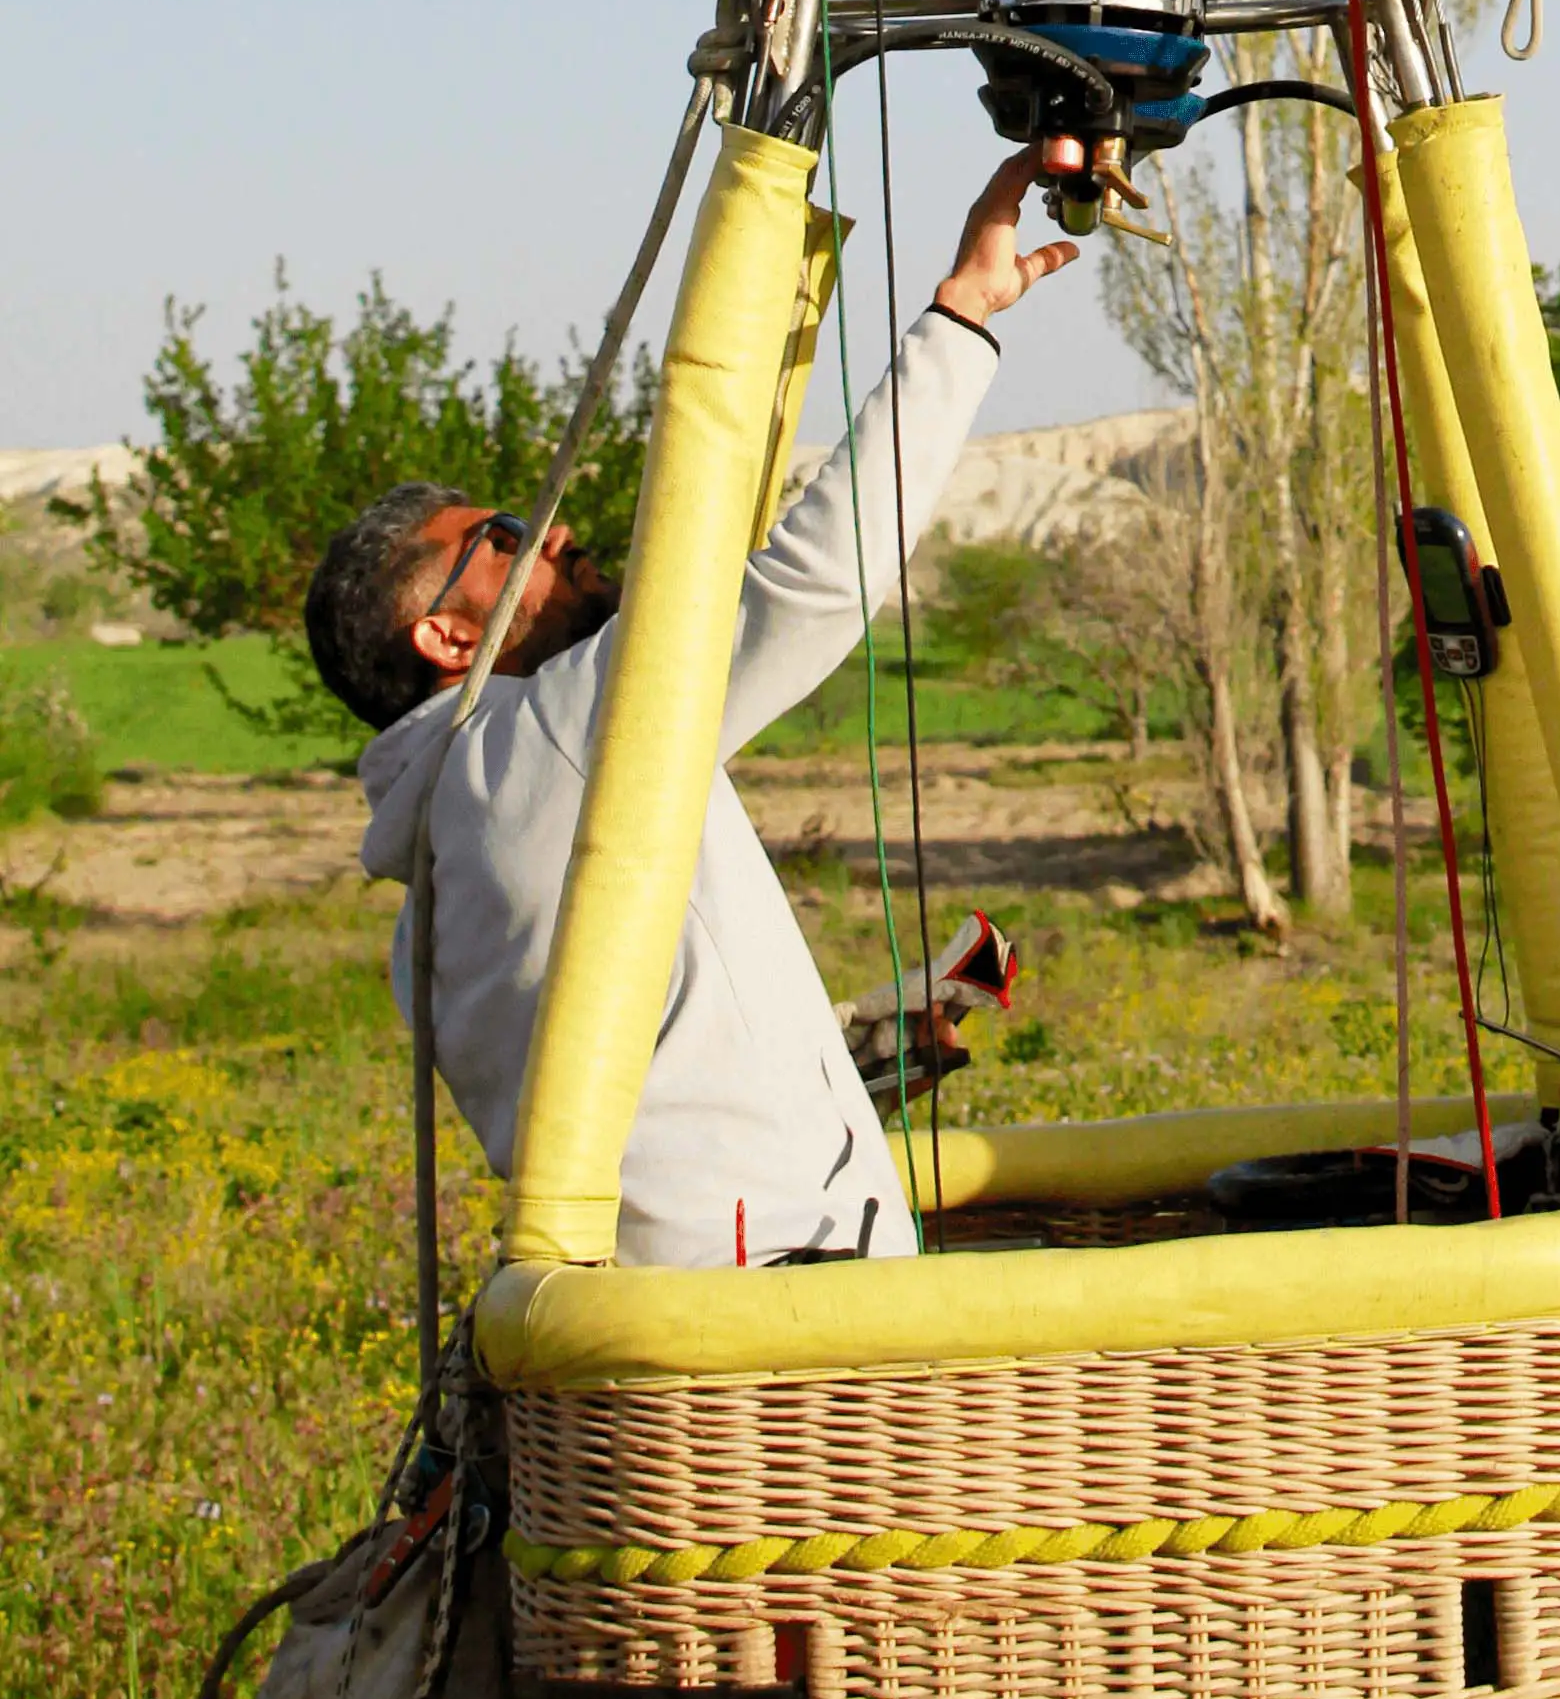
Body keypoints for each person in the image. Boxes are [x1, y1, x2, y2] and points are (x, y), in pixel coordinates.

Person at [304, 141, 1078, 1272]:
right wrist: (962, 317)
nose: (552, 535)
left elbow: (645, 1102)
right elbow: (815, 583)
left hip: (689, 1320)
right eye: (501, 542)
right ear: (447, 637)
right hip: (776, 1316)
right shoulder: (550, 737)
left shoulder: (428, 903)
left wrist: (851, 1055)